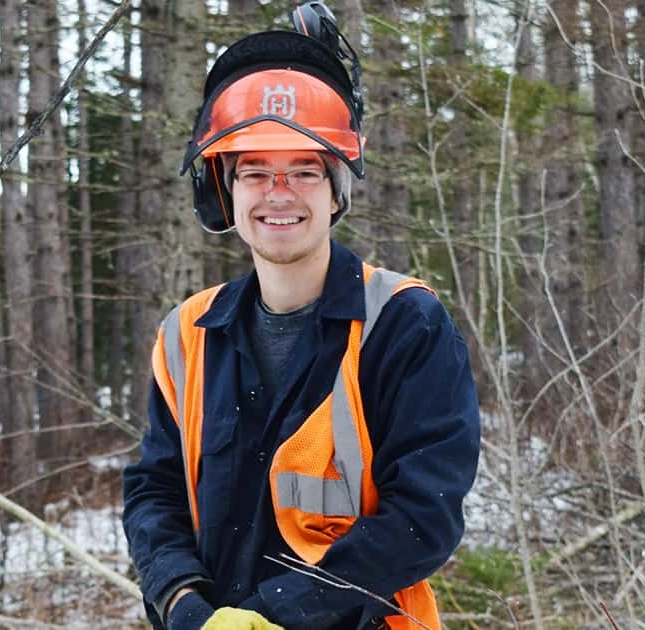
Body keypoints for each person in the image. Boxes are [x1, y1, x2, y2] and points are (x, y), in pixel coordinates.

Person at [121, 3, 481, 629]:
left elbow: (426, 516)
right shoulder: (187, 336)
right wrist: (184, 605)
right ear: (223, 190)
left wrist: (276, 615)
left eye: (304, 171)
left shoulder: (402, 324)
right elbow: (154, 494)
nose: (278, 193)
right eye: (255, 171)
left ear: (335, 190)